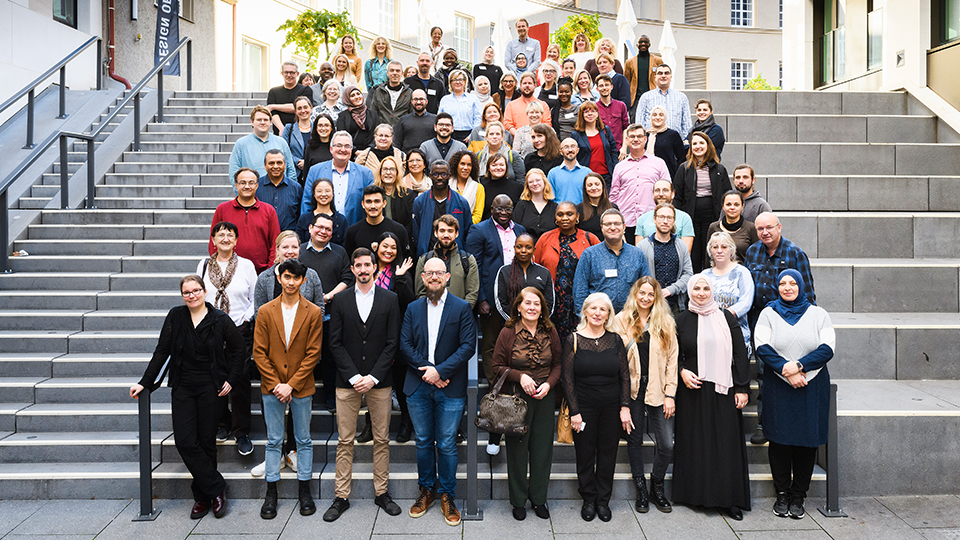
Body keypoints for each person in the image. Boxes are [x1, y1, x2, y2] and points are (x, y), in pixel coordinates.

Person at [129, 275, 244, 520]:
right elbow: (162, 351)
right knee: (184, 441)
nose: (191, 296)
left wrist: (232, 380)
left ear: (205, 291)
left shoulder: (219, 319)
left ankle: (202, 497)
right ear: (182, 295)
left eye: (196, 291)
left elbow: (239, 350)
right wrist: (144, 382)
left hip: (210, 388)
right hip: (183, 385)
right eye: (186, 292)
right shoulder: (176, 316)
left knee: (205, 442)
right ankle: (216, 488)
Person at [323, 248, 404, 521]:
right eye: (358, 265)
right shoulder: (341, 299)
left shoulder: (390, 299)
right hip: (347, 382)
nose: (363, 269)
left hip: (380, 382)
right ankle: (340, 496)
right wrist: (355, 376)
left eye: (367, 264)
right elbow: (334, 342)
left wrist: (373, 376)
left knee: (381, 439)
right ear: (354, 269)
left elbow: (393, 342)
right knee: (345, 440)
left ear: (375, 267)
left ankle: (382, 493)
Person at [400, 257, 477, 527]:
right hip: (418, 385)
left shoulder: (461, 308)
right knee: (422, 440)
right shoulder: (412, 308)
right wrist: (430, 372)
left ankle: (447, 495)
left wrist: (441, 372)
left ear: (447, 277)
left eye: (439, 273)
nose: (434, 277)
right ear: (422, 277)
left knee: (445, 443)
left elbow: (467, 346)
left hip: (450, 388)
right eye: (429, 273)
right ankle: (426, 491)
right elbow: (405, 345)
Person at [755, 269, 834, 520]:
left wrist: (799, 367)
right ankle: (782, 493)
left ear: (801, 286)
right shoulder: (769, 313)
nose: (787, 287)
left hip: (811, 385)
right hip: (779, 386)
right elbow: (762, 346)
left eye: (792, 283)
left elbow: (827, 348)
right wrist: (785, 370)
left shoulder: (818, 314)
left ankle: (799, 494)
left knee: (806, 441)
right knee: (779, 440)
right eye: (782, 283)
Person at [673, 274, 751, 521]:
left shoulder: (726, 317)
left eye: (706, 288)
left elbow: (740, 353)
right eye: (697, 288)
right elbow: (672, 355)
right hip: (692, 391)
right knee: (696, 443)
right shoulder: (681, 319)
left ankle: (730, 499)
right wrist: (681, 371)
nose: (702, 292)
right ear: (689, 291)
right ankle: (697, 496)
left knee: (725, 444)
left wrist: (742, 388)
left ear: (713, 291)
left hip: (723, 390)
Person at [253, 259, 322, 520]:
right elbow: (259, 352)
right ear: (279, 278)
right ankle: (272, 491)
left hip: (301, 385)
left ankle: (305, 489)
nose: (291, 282)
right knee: (273, 440)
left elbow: (313, 353)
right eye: (286, 277)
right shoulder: (266, 311)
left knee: (303, 439)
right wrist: (277, 384)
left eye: (296, 278)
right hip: (272, 386)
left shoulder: (313, 312)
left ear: (303, 280)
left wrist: (291, 384)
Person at [744, 212, 817, 445]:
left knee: (787, 373)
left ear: (779, 227)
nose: (765, 232)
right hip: (760, 323)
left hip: (789, 324)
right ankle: (764, 425)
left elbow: (809, 294)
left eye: (769, 228)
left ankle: (790, 424)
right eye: (760, 229)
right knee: (766, 375)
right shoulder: (753, 252)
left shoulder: (795, 253)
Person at [491, 287, 561, 521]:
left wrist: (549, 384)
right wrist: (519, 376)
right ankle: (518, 501)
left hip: (544, 397)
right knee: (517, 450)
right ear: (518, 307)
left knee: (543, 451)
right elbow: (497, 366)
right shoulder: (508, 332)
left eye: (537, 304)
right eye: (527, 303)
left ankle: (539, 499)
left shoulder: (550, 331)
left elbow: (559, 364)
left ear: (542, 309)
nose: (532, 307)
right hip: (517, 399)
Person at [562, 292, 632, 522]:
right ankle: (589, 499)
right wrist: (574, 411)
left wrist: (624, 406)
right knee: (584, 455)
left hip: (611, 407)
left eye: (603, 309)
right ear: (585, 311)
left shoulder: (615, 340)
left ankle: (603, 501)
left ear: (609, 314)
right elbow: (567, 379)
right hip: (583, 407)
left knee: (607, 454)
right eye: (593, 308)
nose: (597, 313)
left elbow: (624, 375)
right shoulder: (573, 340)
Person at [612, 276, 677, 513]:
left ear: (656, 297)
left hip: (659, 390)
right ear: (635, 294)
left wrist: (670, 394)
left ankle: (656, 485)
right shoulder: (621, 320)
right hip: (632, 390)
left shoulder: (666, 322)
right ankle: (641, 488)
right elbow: (617, 360)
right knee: (634, 440)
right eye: (642, 293)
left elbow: (672, 360)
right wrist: (623, 402)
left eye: (651, 294)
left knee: (666, 443)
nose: (646, 298)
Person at [199, 221, 258, 456]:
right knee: (215, 378)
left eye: (230, 235)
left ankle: (241, 431)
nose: (225, 238)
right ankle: (222, 424)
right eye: (220, 234)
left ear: (236, 240)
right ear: (213, 240)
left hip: (238, 329)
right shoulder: (204, 265)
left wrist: (244, 319)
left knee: (240, 380)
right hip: (210, 329)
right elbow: (198, 293)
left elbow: (255, 297)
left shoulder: (246, 265)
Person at [465, 195, 527, 383]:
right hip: (490, 298)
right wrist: (481, 299)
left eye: (507, 208)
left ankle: (513, 381)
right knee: (491, 343)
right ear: (491, 209)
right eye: (499, 209)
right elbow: (474, 266)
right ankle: (495, 384)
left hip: (516, 297)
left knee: (516, 341)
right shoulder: (479, 230)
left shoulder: (520, 230)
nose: (503, 213)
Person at [298, 213, 354, 409]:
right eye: (319, 227)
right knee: (304, 357)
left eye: (328, 229)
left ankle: (331, 397)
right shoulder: (299, 252)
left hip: (331, 315)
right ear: (311, 228)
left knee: (331, 358)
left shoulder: (340, 252)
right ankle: (304, 396)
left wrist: (328, 296)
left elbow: (347, 278)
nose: (323, 232)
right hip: (302, 316)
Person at [372, 231, 417, 443]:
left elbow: (409, 302)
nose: (389, 251)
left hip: (395, 337)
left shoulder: (402, 271)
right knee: (374, 386)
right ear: (376, 247)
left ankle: (405, 424)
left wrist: (400, 278)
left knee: (400, 385)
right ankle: (370, 426)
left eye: (393, 247)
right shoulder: (368, 270)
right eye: (385, 246)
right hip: (371, 337)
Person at [535, 202, 600, 339]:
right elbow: (534, 269)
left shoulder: (590, 238)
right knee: (554, 340)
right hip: (553, 302)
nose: (565, 218)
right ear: (555, 218)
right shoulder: (545, 239)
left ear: (577, 217)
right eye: (560, 214)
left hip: (581, 301)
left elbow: (600, 268)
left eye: (569, 214)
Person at [673, 131, 731, 272]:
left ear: (708, 145)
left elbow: (727, 194)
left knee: (709, 250)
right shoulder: (684, 169)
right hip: (691, 217)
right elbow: (677, 196)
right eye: (694, 144)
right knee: (694, 252)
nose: (698, 146)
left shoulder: (719, 169)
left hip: (712, 217)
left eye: (701, 143)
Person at [573, 208, 650, 313]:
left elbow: (646, 287)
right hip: (599, 320)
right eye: (608, 224)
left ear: (624, 227)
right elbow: (580, 291)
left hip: (630, 319)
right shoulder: (589, 255)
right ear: (601, 228)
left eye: (617, 224)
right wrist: (583, 317)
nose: (613, 228)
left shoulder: (637, 254)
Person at [210, 168, 281, 274]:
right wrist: (219, 266)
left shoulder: (268, 210)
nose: (247, 186)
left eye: (251, 183)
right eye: (242, 183)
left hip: (261, 271)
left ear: (257, 185)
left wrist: (269, 271)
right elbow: (214, 241)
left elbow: (275, 243)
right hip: (229, 271)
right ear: (236, 185)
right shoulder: (222, 209)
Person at [610, 125, 670, 244]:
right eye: (632, 136)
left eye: (639, 136)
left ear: (645, 139)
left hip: (651, 220)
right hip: (626, 221)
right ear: (626, 140)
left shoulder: (659, 163)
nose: (636, 139)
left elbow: (668, 192)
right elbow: (613, 196)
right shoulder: (619, 166)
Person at [301, 130, 374, 225]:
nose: (343, 149)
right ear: (331, 149)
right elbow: (307, 202)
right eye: (339, 145)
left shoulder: (365, 174)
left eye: (347, 146)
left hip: (353, 229)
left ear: (351, 150)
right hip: (322, 230)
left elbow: (371, 204)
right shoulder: (315, 171)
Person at [703, 231, 755, 354]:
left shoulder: (742, 272)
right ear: (710, 251)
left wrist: (724, 315)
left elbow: (746, 301)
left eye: (724, 247)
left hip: (736, 332)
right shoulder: (704, 275)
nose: (719, 251)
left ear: (731, 250)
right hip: (710, 334)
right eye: (715, 247)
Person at [637, 203, 693, 313]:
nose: (665, 221)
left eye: (669, 218)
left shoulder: (681, 246)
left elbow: (688, 274)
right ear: (654, 219)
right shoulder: (642, 246)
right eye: (661, 217)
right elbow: (637, 276)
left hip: (676, 304)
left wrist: (670, 290)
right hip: (649, 305)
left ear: (674, 221)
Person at [413, 214, 479, 307]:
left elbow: (472, 294)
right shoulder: (424, 260)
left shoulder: (467, 260)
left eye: (450, 231)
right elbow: (420, 293)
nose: (446, 235)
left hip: (459, 317)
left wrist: (461, 314)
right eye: (442, 231)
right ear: (436, 233)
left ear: (456, 233)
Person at [411, 160, 472, 256]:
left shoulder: (461, 202)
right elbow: (416, 232)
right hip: (427, 255)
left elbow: (468, 232)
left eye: (443, 174)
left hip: (455, 256)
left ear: (449, 175)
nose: (439, 178)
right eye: (435, 174)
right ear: (430, 176)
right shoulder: (420, 201)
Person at [229, 106, 297, 187]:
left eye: (265, 120)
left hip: (280, 192)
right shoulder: (241, 144)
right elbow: (234, 172)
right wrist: (242, 195)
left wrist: (289, 190)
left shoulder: (281, 142)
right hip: (252, 194)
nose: (262, 122)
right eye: (259, 120)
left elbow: (291, 169)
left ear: (270, 122)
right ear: (252, 122)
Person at [495, 233, 554, 319]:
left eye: (528, 247)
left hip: (538, 325)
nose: (523, 250)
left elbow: (549, 302)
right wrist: (514, 322)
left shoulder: (544, 272)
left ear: (534, 250)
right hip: (512, 325)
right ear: (514, 248)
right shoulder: (504, 271)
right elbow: (501, 302)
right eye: (519, 247)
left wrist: (537, 321)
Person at [344, 184, 412, 256]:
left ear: (384, 203)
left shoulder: (398, 230)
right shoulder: (352, 232)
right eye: (368, 202)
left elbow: (406, 260)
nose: (373, 206)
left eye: (377, 201)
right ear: (363, 204)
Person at [636, 64, 692, 141]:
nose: (663, 76)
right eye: (660, 73)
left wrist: (688, 141)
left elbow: (687, 124)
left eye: (666, 73)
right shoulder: (646, 97)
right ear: (655, 77)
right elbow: (639, 123)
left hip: (674, 144)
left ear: (671, 77)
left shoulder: (681, 97)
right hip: (651, 143)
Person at [635, 180, 694, 253]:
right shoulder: (642, 219)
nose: (661, 194)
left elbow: (686, 252)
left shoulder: (684, 218)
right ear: (653, 194)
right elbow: (638, 253)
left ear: (672, 194)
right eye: (657, 190)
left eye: (665, 190)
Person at [571, 102, 618, 184]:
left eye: (593, 111)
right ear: (581, 115)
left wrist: (615, 170)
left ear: (597, 113)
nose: (590, 114)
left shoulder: (605, 130)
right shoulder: (576, 135)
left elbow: (613, 151)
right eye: (586, 112)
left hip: (607, 176)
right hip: (586, 177)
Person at [707, 191, 760, 264]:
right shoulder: (713, 227)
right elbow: (708, 257)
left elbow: (757, 256)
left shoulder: (751, 227)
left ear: (742, 206)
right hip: (718, 273)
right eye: (728, 204)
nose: (732, 207)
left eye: (736, 204)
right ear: (723, 206)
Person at [256, 150, 302, 233]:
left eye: (279, 163)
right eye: (271, 163)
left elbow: (300, 216)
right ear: (265, 165)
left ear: (285, 165)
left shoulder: (296, 188)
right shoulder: (256, 187)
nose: (276, 166)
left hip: (288, 239)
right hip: (263, 236)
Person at [376, 155, 417, 242]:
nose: (388, 172)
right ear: (380, 172)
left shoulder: (408, 194)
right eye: (385, 169)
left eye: (392, 169)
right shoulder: (373, 194)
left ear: (397, 172)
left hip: (401, 240)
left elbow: (410, 222)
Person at [295, 178, 348, 246]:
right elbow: (298, 244)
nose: (323, 194)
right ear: (314, 194)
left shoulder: (341, 220)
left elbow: (344, 245)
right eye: (319, 191)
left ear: (333, 193)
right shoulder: (304, 219)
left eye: (327, 191)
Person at [266, 61, 314, 135]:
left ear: (297, 74)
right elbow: (272, 113)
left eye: (292, 72)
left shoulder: (305, 90)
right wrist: (282, 129)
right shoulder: (273, 91)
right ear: (282, 73)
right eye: (286, 72)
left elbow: (298, 108)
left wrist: (273, 106)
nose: (289, 75)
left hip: (301, 132)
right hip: (279, 133)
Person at [513, 168, 558, 243]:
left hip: (549, 249)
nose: (535, 184)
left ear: (544, 182)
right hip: (526, 250)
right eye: (531, 182)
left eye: (538, 180)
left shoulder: (555, 207)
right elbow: (515, 229)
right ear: (527, 185)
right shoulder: (521, 206)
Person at [623, 35, 663, 117]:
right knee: (635, 121)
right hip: (635, 98)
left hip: (653, 96)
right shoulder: (629, 62)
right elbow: (626, 81)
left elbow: (662, 78)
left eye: (646, 42)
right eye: (641, 42)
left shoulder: (658, 60)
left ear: (649, 45)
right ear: (637, 45)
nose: (643, 43)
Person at [504, 72, 553, 137]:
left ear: (535, 85)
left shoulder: (543, 105)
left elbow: (547, 124)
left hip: (538, 141)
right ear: (520, 85)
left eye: (529, 83)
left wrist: (535, 136)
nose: (527, 85)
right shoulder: (511, 105)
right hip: (518, 141)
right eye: (524, 83)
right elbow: (508, 124)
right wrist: (520, 136)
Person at [336, 86, 380, 157]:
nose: (357, 97)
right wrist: (355, 151)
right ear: (347, 99)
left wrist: (368, 150)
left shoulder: (373, 114)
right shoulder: (343, 116)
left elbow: (377, 133)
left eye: (358, 94)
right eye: (352, 95)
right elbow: (342, 135)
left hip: (370, 154)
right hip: (349, 154)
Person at [439, 69, 481, 142]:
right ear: (450, 83)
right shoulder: (445, 100)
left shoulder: (473, 99)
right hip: (450, 135)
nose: (458, 82)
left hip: (468, 135)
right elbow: (440, 118)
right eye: (454, 79)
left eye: (460, 79)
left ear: (465, 82)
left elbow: (478, 118)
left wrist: (472, 135)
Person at [480, 153, 523, 222]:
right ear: (488, 168)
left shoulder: (517, 188)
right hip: (487, 229)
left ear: (506, 167)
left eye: (501, 165)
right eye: (494, 165)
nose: (498, 168)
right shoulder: (481, 187)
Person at [369, 61, 413, 128]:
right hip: (383, 132)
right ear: (387, 73)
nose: (395, 73)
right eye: (392, 70)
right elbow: (373, 113)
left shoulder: (409, 93)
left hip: (402, 131)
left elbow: (412, 114)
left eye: (397, 71)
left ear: (402, 74)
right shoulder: (379, 91)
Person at [645, 106, 686, 177]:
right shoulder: (645, 135)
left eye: (661, 115)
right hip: (648, 175)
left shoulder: (673, 134)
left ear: (665, 117)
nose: (657, 117)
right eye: (654, 115)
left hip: (668, 175)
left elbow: (681, 158)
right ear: (651, 117)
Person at [549, 138, 592, 205]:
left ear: (577, 150)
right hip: (561, 213)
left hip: (583, 212)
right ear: (561, 152)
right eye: (566, 147)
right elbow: (550, 198)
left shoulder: (587, 172)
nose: (570, 150)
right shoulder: (553, 173)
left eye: (573, 146)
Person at [394, 90, 437, 155]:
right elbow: (397, 143)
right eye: (415, 99)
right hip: (408, 158)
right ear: (411, 101)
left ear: (426, 101)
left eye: (421, 99)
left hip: (429, 156)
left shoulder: (435, 119)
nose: (418, 102)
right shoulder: (403, 120)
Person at [576, 173, 617, 241]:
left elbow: (619, 233)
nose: (594, 188)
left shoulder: (613, 208)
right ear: (585, 188)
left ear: (603, 186)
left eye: (597, 184)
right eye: (590, 185)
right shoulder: (579, 209)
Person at [281, 96, 314, 179]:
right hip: (295, 172)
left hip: (313, 172)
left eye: (305, 107)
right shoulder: (289, 128)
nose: (303, 111)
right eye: (299, 108)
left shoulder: (317, 128)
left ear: (311, 108)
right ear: (295, 111)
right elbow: (284, 150)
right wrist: (298, 161)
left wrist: (307, 162)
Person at [448, 150, 485, 225]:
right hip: (446, 229)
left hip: (469, 230)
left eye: (469, 165)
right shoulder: (447, 185)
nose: (465, 167)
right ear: (456, 165)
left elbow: (477, 215)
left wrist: (463, 225)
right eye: (462, 164)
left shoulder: (478, 187)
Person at [301, 114, 334, 183]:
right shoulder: (310, 148)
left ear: (331, 128)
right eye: (320, 125)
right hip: (315, 189)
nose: (323, 128)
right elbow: (306, 174)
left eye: (327, 125)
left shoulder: (336, 147)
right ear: (316, 128)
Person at [551, 78, 580, 143]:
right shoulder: (554, 111)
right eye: (561, 92)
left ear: (571, 92)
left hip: (576, 143)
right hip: (560, 144)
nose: (564, 94)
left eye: (567, 92)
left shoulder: (578, 110)